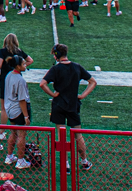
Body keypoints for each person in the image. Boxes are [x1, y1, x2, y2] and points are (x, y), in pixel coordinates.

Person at [39, 44, 97, 172]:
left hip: (59, 104)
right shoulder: (77, 67)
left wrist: (53, 94)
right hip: (73, 104)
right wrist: (82, 95)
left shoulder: (56, 69)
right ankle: (84, 161)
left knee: (61, 136)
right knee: (78, 135)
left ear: (57, 55)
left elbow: (42, 84)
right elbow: (93, 82)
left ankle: (65, 165)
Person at [2, 56, 32, 169]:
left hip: (10, 109)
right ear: (18, 66)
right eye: (24, 64)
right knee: (21, 135)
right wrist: (26, 116)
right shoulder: (20, 80)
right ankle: (20, 160)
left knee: (13, 133)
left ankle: (9, 156)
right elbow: (22, 100)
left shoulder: (9, 75)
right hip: (18, 110)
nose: (25, 65)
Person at [0, 33, 32, 114]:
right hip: (17, 78)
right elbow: (30, 60)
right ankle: (18, 124)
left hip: (5, 78)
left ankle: (3, 127)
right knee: (19, 103)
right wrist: (22, 66)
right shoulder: (19, 51)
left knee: (4, 107)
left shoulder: (3, 51)